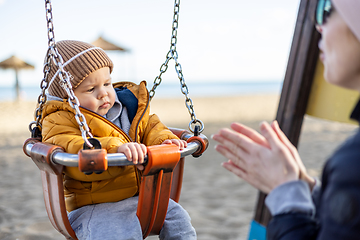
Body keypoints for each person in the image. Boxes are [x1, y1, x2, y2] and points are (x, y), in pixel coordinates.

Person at [212, 0, 360, 239]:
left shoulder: (352, 164)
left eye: (327, 10)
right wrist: (309, 189)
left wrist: (287, 198)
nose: (318, 27)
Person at [39, 40, 196, 240]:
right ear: (67, 96)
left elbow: (151, 127)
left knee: (179, 220)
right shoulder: (59, 119)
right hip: (95, 208)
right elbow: (73, 147)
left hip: (140, 198)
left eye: (107, 84)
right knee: (118, 234)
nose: (103, 93)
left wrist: (164, 141)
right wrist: (117, 149)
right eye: (90, 89)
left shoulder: (127, 108)